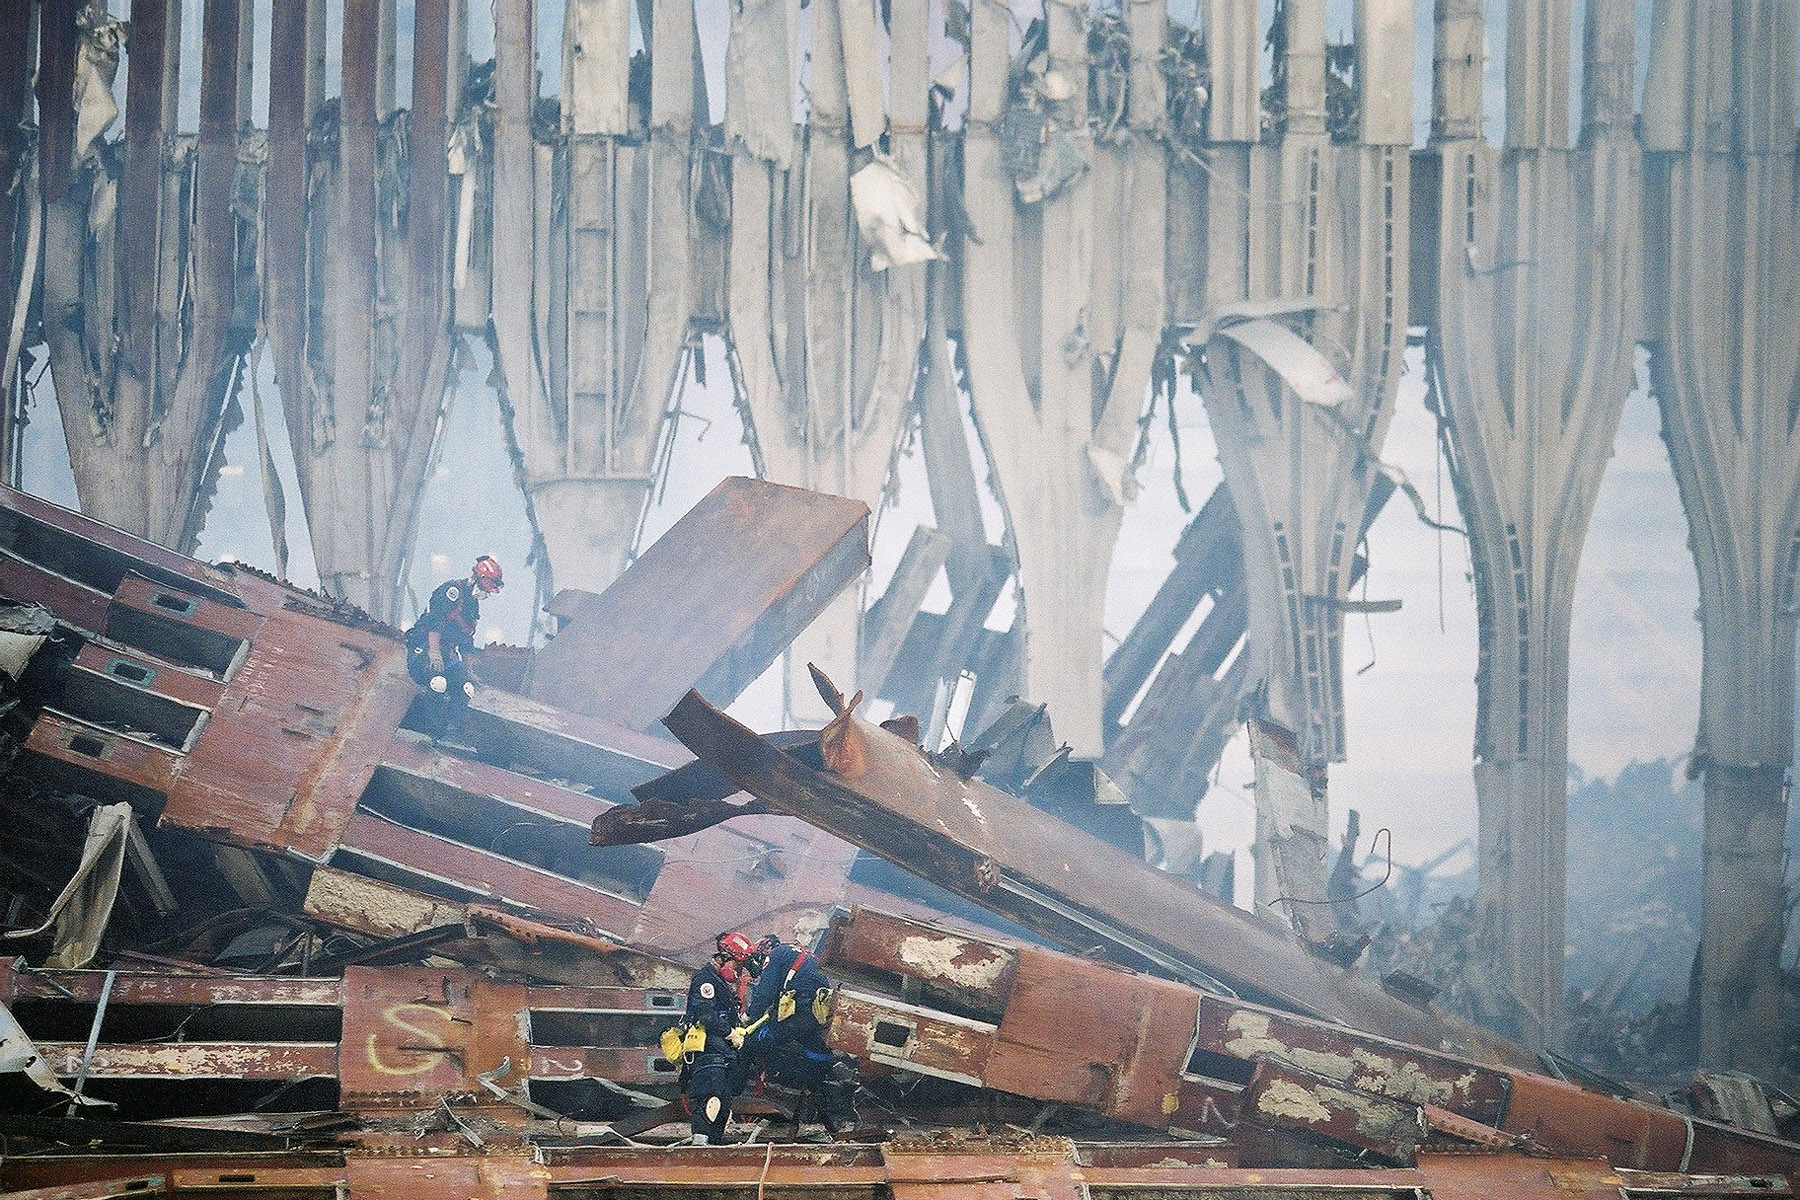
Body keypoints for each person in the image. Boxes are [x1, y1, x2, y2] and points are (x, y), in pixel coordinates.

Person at [735, 934, 856, 1133]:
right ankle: (815, 1098)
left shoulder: (775, 954)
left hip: (796, 1015)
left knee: (748, 1045)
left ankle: (733, 1096)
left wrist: (747, 1017)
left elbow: (766, 992)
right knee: (818, 1053)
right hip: (815, 1015)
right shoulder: (804, 955)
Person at [403, 556, 503, 733]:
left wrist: (468, 671)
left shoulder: (473, 607)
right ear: (476, 578)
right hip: (423, 648)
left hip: (446, 654)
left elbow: (466, 641)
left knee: (466, 688)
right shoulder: (452, 590)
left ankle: (453, 733)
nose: (484, 594)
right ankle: (430, 731)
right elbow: (435, 622)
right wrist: (433, 653)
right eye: (484, 589)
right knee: (438, 682)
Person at [677, 931, 758, 1145]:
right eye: (738, 965)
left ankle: (713, 1145)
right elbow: (706, 1014)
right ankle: (700, 1145)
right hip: (708, 1049)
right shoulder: (705, 980)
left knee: (723, 1101)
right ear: (725, 958)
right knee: (711, 1096)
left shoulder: (720, 982)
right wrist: (729, 1032)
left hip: (723, 1050)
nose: (739, 971)